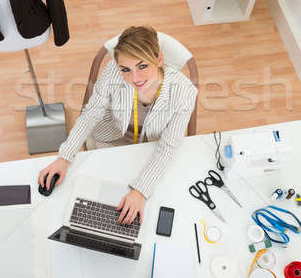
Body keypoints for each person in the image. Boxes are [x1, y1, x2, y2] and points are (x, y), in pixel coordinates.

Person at [38, 26, 197, 226]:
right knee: (102, 197)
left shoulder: (185, 92)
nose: (135, 79)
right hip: (111, 139)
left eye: (142, 66)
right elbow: (91, 114)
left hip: (150, 148)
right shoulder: (112, 72)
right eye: (126, 69)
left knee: (144, 199)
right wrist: (64, 157)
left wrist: (140, 191)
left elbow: (168, 147)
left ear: (159, 60)